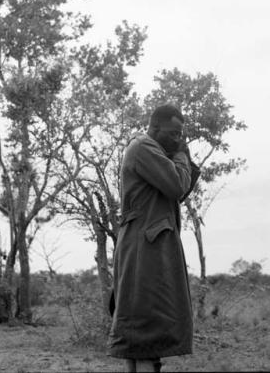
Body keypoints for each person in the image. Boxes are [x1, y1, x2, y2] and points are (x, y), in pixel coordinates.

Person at [108, 104, 200, 372]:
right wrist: (182, 156)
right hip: (144, 251)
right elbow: (176, 185)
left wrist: (176, 154)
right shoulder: (143, 147)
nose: (178, 140)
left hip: (144, 246)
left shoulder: (150, 150)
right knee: (146, 335)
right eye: (174, 134)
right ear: (155, 127)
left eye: (181, 135)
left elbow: (176, 189)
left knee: (142, 335)